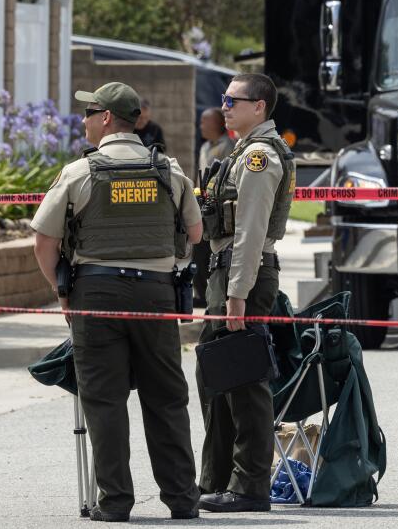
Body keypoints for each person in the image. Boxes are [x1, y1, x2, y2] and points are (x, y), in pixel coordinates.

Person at [30, 82, 203, 522]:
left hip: (97, 292)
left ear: (106, 118)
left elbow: (45, 241)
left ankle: (116, 503)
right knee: (166, 398)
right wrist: (167, 261)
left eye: (88, 112)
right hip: (157, 292)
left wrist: (62, 289)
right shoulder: (167, 169)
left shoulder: (79, 173)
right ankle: (183, 501)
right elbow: (195, 234)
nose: (83, 120)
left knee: (104, 400)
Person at [196, 73, 296, 513]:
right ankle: (216, 479)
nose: (224, 107)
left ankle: (250, 485)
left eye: (233, 100)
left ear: (259, 106)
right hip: (228, 275)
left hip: (244, 277)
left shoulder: (258, 156)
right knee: (216, 377)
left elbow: (251, 233)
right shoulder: (241, 149)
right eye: (224, 99)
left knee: (243, 383)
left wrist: (237, 293)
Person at [192, 107, 233, 307]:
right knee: (197, 250)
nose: (201, 126)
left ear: (217, 124)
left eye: (204, 122)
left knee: (213, 251)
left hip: (217, 208)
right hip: (202, 205)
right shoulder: (204, 147)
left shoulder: (227, 146)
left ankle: (214, 294)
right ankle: (200, 293)